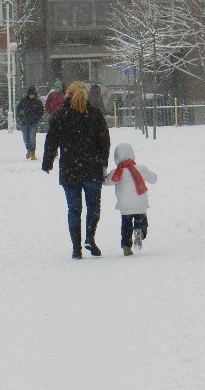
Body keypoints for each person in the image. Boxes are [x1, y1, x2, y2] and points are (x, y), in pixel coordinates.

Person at [42, 81, 111, 260]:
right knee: (93, 205)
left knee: (74, 209)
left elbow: (51, 141)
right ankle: (90, 237)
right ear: (85, 94)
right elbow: (104, 140)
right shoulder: (95, 114)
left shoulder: (60, 116)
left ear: (67, 95)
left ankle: (76, 248)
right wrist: (103, 161)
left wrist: (47, 162)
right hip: (92, 167)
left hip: (70, 169)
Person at [104, 143, 157, 256]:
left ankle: (126, 247)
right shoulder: (141, 169)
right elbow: (153, 179)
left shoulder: (116, 173)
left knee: (126, 227)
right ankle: (140, 232)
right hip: (140, 204)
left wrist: (103, 172)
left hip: (125, 205)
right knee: (141, 222)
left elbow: (106, 182)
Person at [16, 86, 44, 160]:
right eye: (30, 94)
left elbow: (41, 111)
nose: (31, 95)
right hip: (24, 123)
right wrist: (22, 118)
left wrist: (36, 118)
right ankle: (28, 149)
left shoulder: (38, 102)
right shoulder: (23, 101)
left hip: (33, 123)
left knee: (32, 138)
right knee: (25, 138)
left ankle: (33, 153)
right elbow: (18, 110)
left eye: (33, 94)